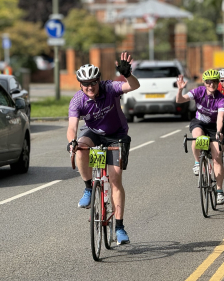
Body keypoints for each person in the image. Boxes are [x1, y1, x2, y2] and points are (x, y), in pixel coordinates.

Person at [66, 52, 140, 245]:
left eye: (93, 82)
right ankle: (89, 188)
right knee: (80, 148)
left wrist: (127, 74)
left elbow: (133, 86)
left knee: (115, 179)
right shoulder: (77, 100)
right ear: (80, 85)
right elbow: (72, 126)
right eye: (85, 84)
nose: (90, 87)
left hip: (116, 135)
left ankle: (120, 226)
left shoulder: (110, 88)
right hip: (94, 133)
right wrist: (72, 141)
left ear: (99, 81)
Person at [176, 69, 224, 205]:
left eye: (215, 82)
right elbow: (179, 100)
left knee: (217, 157)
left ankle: (219, 191)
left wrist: (218, 131)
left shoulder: (221, 99)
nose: (211, 84)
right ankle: (198, 163)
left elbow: (220, 118)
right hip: (199, 123)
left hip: (213, 126)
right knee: (198, 138)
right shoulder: (199, 91)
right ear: (204, 82)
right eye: (209, 82)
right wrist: (180, 90)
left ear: (217, 83)